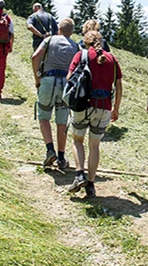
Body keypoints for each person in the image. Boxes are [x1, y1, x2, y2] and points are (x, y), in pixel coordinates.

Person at [67, 30, 122, 198]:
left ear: (86, 42)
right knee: (94, 146)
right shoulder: (112, 59)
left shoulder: (81, 55)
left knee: (77, 140)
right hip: (104, 106)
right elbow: (118, 86)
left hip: (83, 104)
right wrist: (116, 108)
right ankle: (91, 184)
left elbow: (70, 77)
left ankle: (79, 175)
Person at [32, 17, 77, 170]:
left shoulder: (49, 40)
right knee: (62, 121)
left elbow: (35, 56)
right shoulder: (75, 47)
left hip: (48, 80)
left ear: (59, 29)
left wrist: (37, 77)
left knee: (44, 116)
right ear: (71, 32)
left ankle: (50, 150)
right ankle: (62, 157)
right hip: (65, 85)